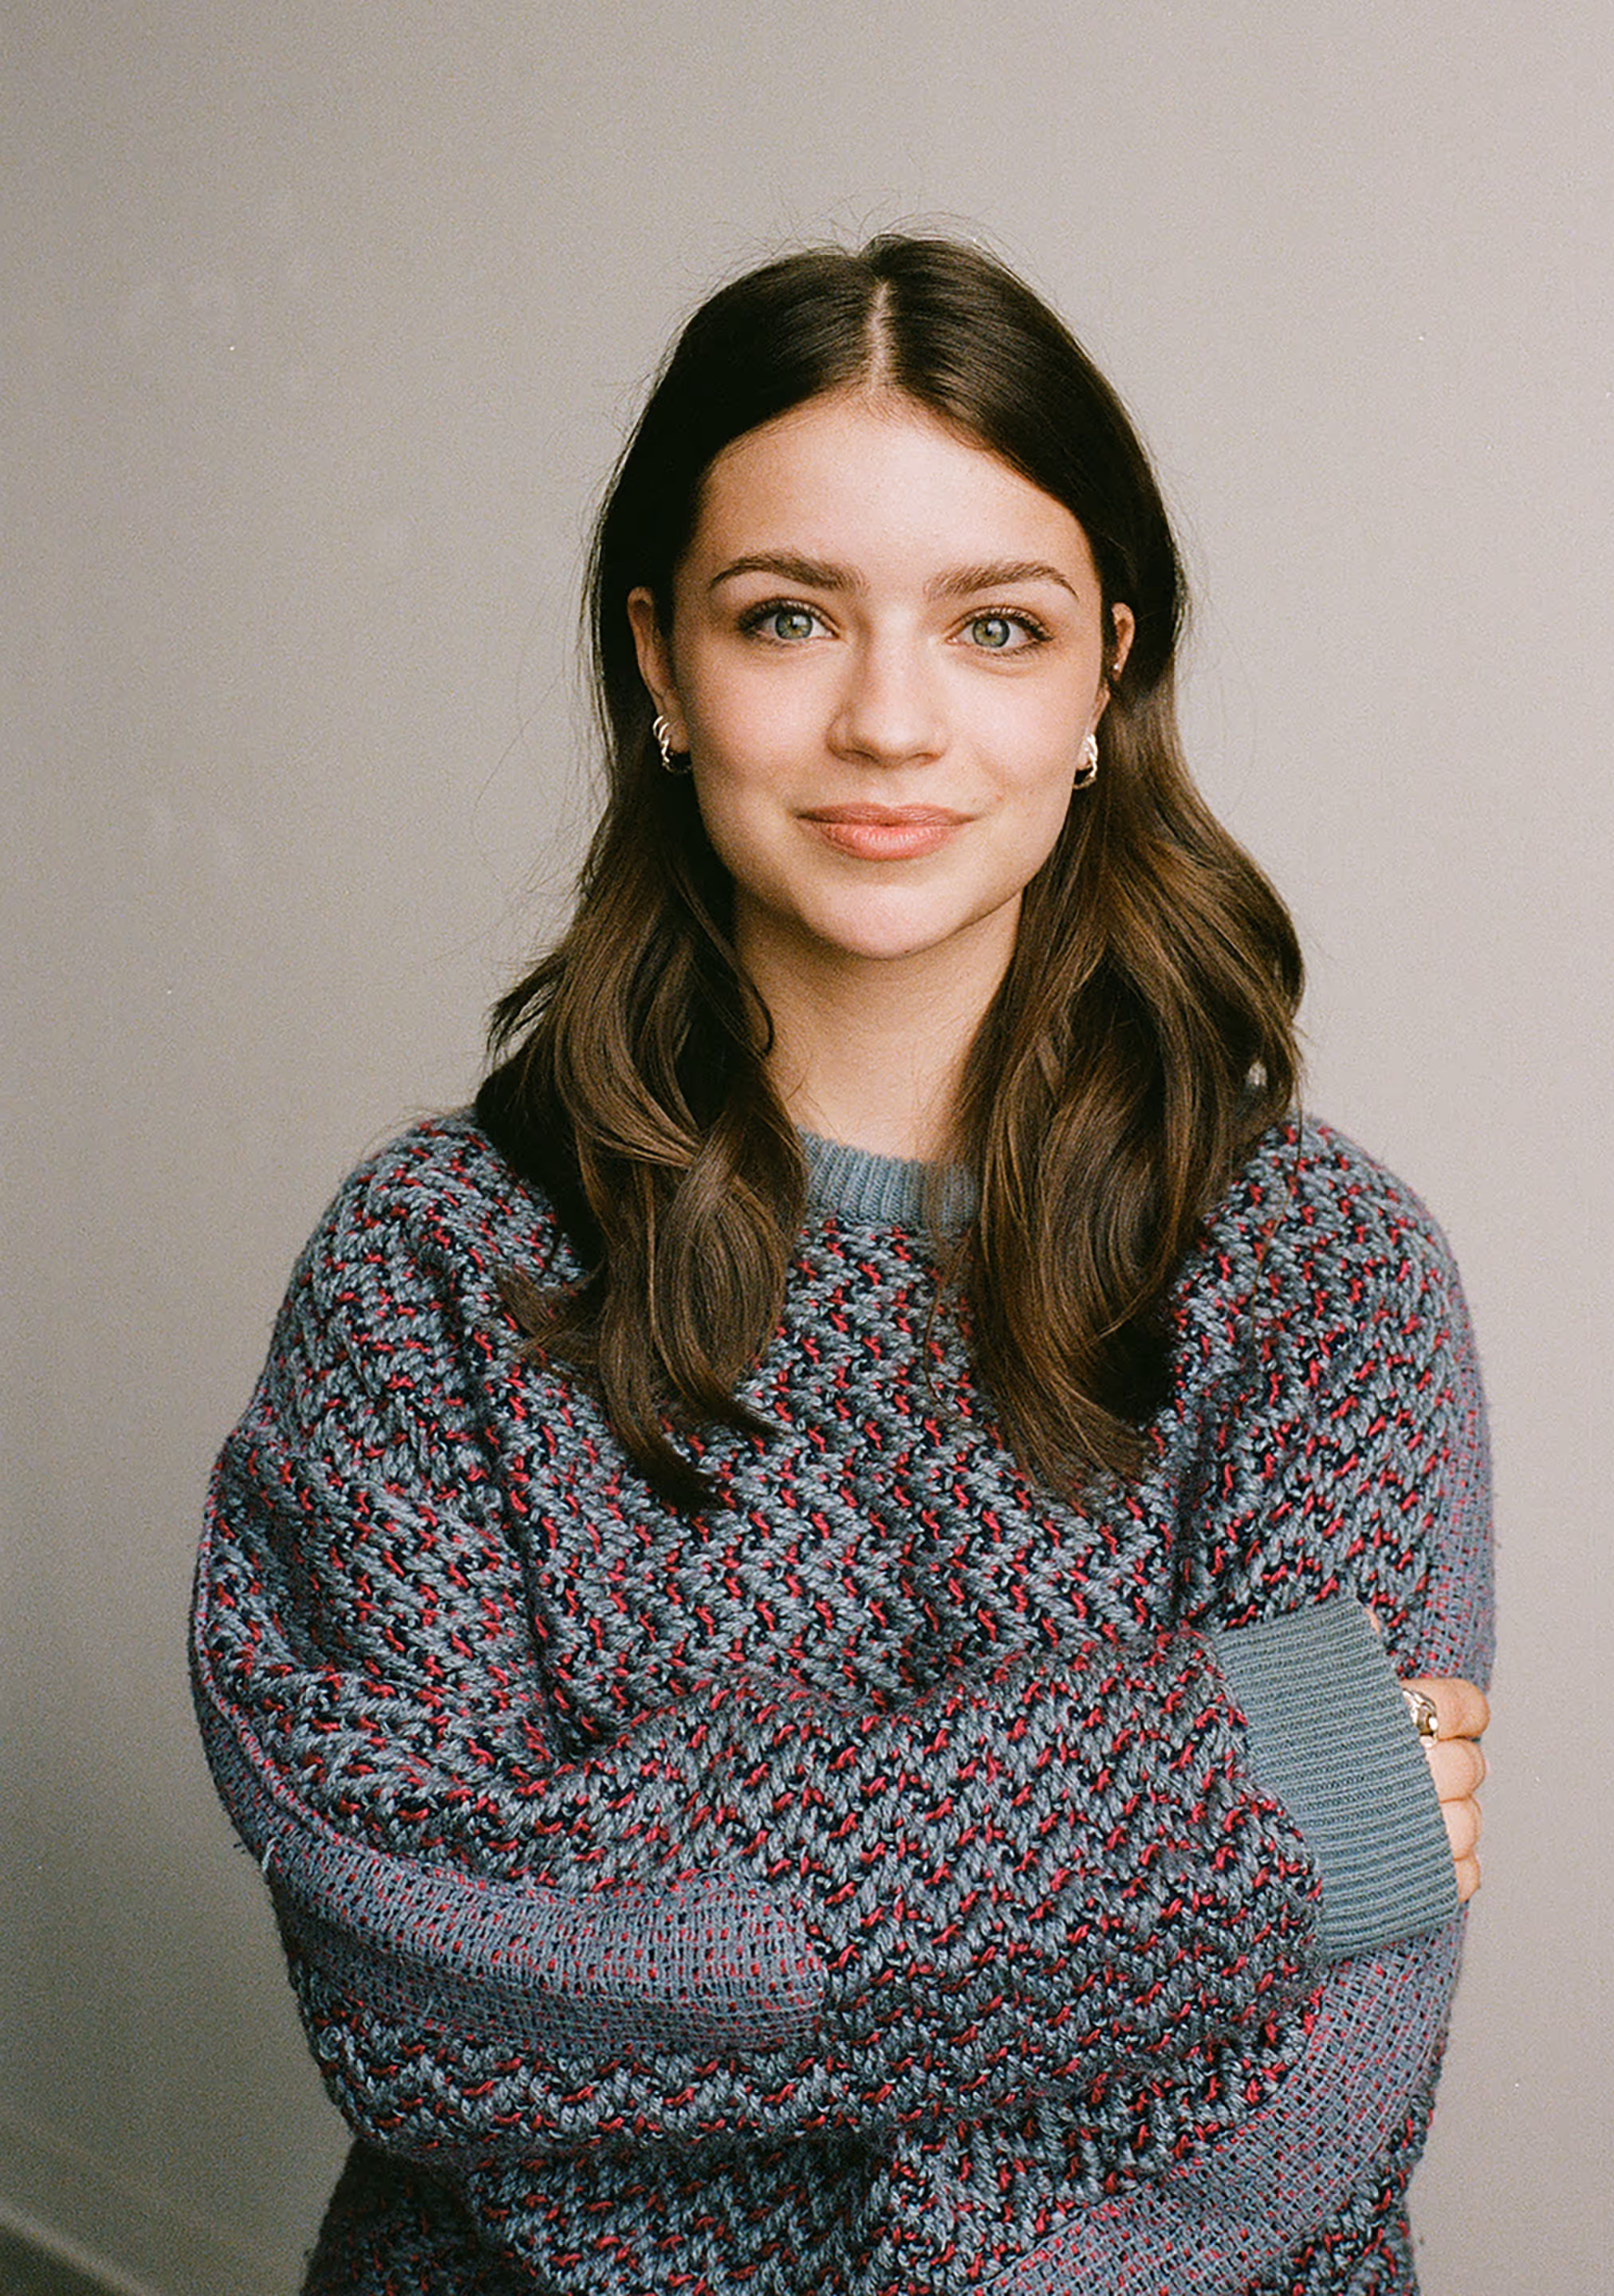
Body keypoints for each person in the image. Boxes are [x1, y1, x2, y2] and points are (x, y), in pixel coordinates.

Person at [192, 234, 1492, 2296]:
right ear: (658, 660)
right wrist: (1195, 1800)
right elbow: (429, 1980)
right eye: (788, 616)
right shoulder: (430, 1271)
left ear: (1105, 678)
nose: (891, 721)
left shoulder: (1326, 1278)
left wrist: (659, 1951)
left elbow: (1306, 2091)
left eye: (997, 625)